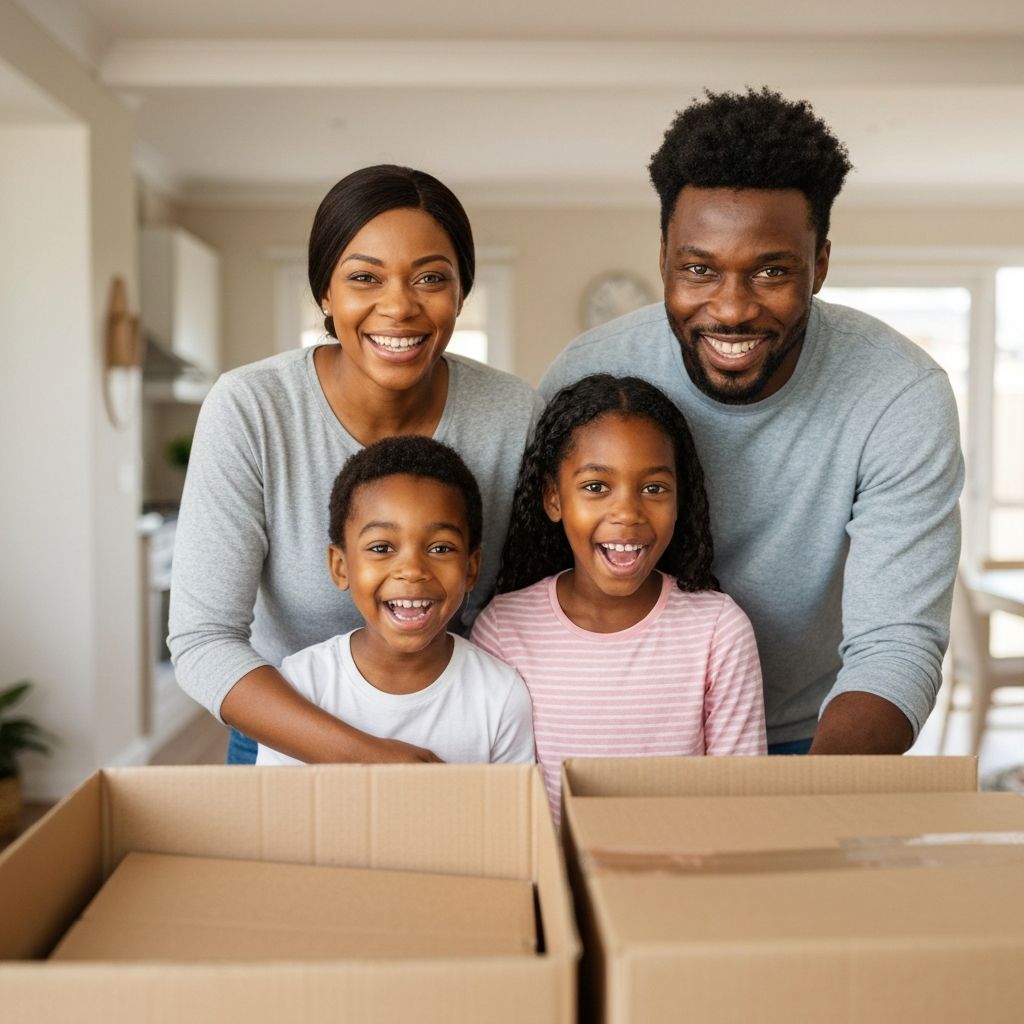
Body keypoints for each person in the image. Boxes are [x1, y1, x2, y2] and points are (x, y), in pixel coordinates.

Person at [540, 88, 964, 755]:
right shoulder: (588, 375)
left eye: (770, 271)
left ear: (820, 264)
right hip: (617, 733)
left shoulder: (898, 394)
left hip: (811, 736)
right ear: (664, 260)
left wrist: (811, 800)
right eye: (699, 269)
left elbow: (895, 643)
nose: (731, 309)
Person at [169, 165, 541, 765]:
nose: (399, 306)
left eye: (430, 278)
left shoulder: (514, 414)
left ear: (460, 293)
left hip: (464, 730)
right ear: (325, 293)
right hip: (284, 729)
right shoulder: (252, 408)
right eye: (365, 277)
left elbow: (531, 608)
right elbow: (203, 641)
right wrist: (368, 755)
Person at [471, 375, 766, 820]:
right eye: (595, 487)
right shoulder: (504, 629)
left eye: (653, 488)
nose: (627, 513)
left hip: (686, 879)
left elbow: (741, 800)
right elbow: (499, 802)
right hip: (555, 880)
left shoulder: (718, 631)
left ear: (680, 499)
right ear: (554, 498)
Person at [257, 436, 535, 767]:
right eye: (381, 548)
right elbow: (284, 815)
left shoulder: (500, 696)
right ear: (341, 567)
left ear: (471, 568)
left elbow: (510, 814)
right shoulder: (301, 686)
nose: (413, 571)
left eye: (440, 548)